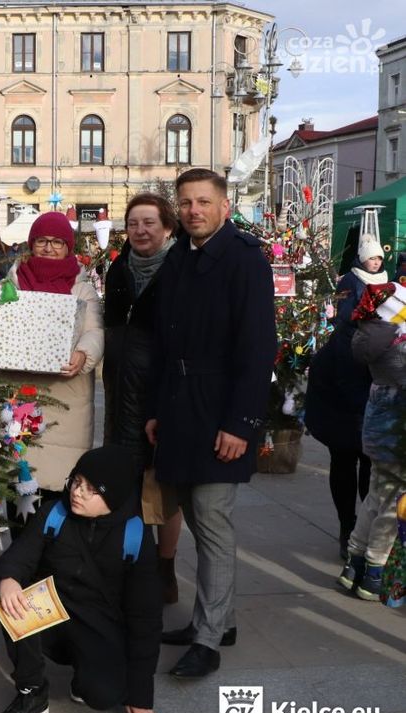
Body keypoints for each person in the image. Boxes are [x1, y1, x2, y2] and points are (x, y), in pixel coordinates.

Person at [145, 168, 276, 678]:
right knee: (200, 522)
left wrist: (241, 422)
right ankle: (221, 620)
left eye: (203, 201)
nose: (193, 210)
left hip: (222, 411)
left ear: (224, 206)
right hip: (180, 408)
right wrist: (158, 409)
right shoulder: (179, 257)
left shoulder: (245, 260)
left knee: (213, 522)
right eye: (186, 203)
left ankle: (207, 639)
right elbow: (163, 342)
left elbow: (257, 346)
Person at [0, 445, 162, 713]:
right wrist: (7, 579)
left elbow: (146, 619)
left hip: (100, 623)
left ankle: (85, 675)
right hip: (52, 611)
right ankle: (32, 693)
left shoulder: (135, 536)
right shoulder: (55, 513)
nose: (77, 492)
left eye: (91, 489)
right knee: (13, 603)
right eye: (76, 482)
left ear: (113, 495)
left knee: (103, 696)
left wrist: (141, 694)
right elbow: (17, 558)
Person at [102, 193, 184, 604]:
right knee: (126, 480)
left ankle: (165, 568)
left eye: (149, 222)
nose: (140, 230)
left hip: (158, 390)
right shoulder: (118, 268)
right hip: (120, 389)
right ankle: (135, 565)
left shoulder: (180, 269)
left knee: (161, 488)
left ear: (168, 227)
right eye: (133, 223)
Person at [2, 211, 104, 506]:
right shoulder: (13, 283)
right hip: (20, 394)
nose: (49, 248)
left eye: (57, 242)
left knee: (57, 495)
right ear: (31, 244)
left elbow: (95, 331)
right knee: (19, 485)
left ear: (68, 247)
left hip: (66, 399)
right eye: (42, 241)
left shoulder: (81, 286)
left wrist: (83, 354)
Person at [303, 236, 385, 558]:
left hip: (364, 394)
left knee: (368, 463)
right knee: (344, 459)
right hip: (339, 399)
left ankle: (362, 528)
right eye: (372, 258)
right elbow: (344, 322)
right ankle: (348, 526)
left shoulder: (385, 293)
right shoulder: (351, 293)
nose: (376, 263)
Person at [337, 282, 406, 601]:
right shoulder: (397, 341)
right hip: (398, 432)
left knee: (376, 495)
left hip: (377, 428)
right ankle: (374, 573)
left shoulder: (372, 334)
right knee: (393, 505)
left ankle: (354, 563)